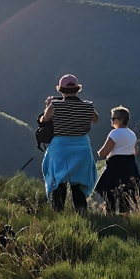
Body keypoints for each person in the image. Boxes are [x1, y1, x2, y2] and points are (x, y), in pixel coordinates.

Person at [40, 73, 99, 213]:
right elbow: (95, 119)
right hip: (82, 147)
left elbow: (44, 119)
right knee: (78, 184)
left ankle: (58, 213)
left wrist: (48, 105)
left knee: (59, 182)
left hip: (60, 147)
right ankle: (81, 213)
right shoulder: (88, 106)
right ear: (78, 89)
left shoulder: (55, 105)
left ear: (60, 90)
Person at [95, 105, 140, 213]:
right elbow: (135, 151)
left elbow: (103, 153)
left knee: (106, 190)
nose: (111, 121)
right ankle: (125, 218)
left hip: (115, 166)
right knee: (125, 195)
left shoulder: (115, 133)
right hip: (130, 166)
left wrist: (101, 153)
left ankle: (110, 214)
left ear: (121, 120)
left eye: (113, 118)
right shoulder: (132, 134)